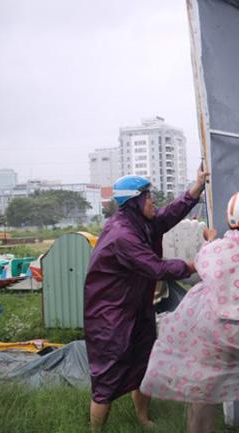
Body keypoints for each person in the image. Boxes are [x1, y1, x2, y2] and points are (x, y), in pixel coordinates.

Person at [140, 190, 239, 433]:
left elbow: (203, 268)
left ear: (230, 220)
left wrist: (210, 240)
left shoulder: (214, 251)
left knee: (202, 387)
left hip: (219, 335)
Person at [84, 167, 208, 433]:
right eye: (149, 197)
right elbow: (157, 268)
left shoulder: (141, 222)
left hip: (136, 306)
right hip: (110, 315)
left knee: (144, 364)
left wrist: (196, 188)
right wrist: (197, 263)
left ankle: (143, 419)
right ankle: (96, 430)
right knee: (107, 377)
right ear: (134, 202)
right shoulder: (122, 235)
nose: (154, 201)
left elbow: (168, 215)